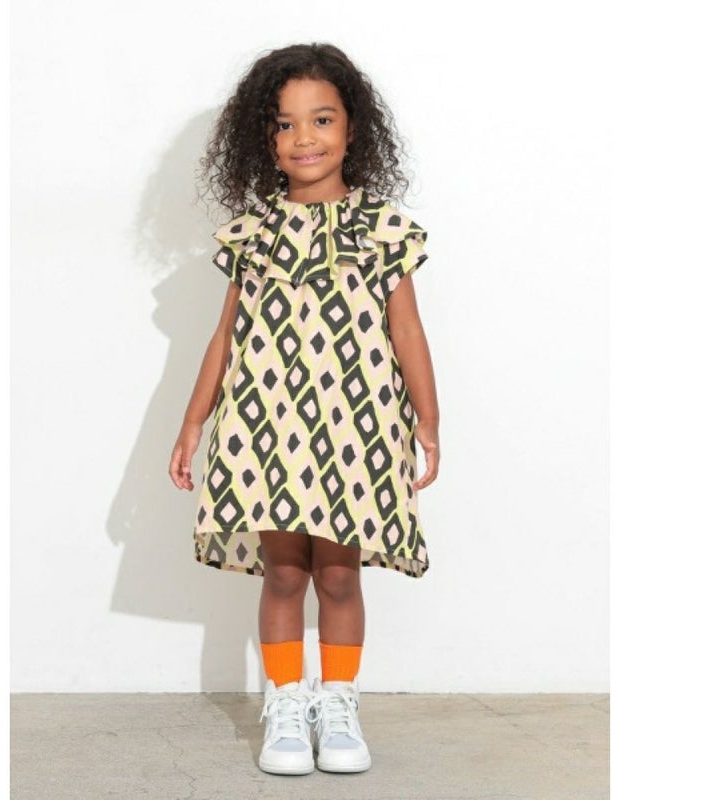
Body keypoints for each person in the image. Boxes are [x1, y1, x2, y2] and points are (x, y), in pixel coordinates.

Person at [169, 42, 440, 776]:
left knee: (340, 575)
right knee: (285, 574)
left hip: (357, 425)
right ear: (263, 138)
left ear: (354, 129)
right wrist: (193, 423)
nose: (304, 138)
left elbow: (407, 331)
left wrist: (428, 422)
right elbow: (225, 335)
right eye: (284, 124)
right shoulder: (253, 233)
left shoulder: (381, 229)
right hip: (265, 424)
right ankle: (287, 705)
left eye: (321, 119)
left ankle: (339, 702)